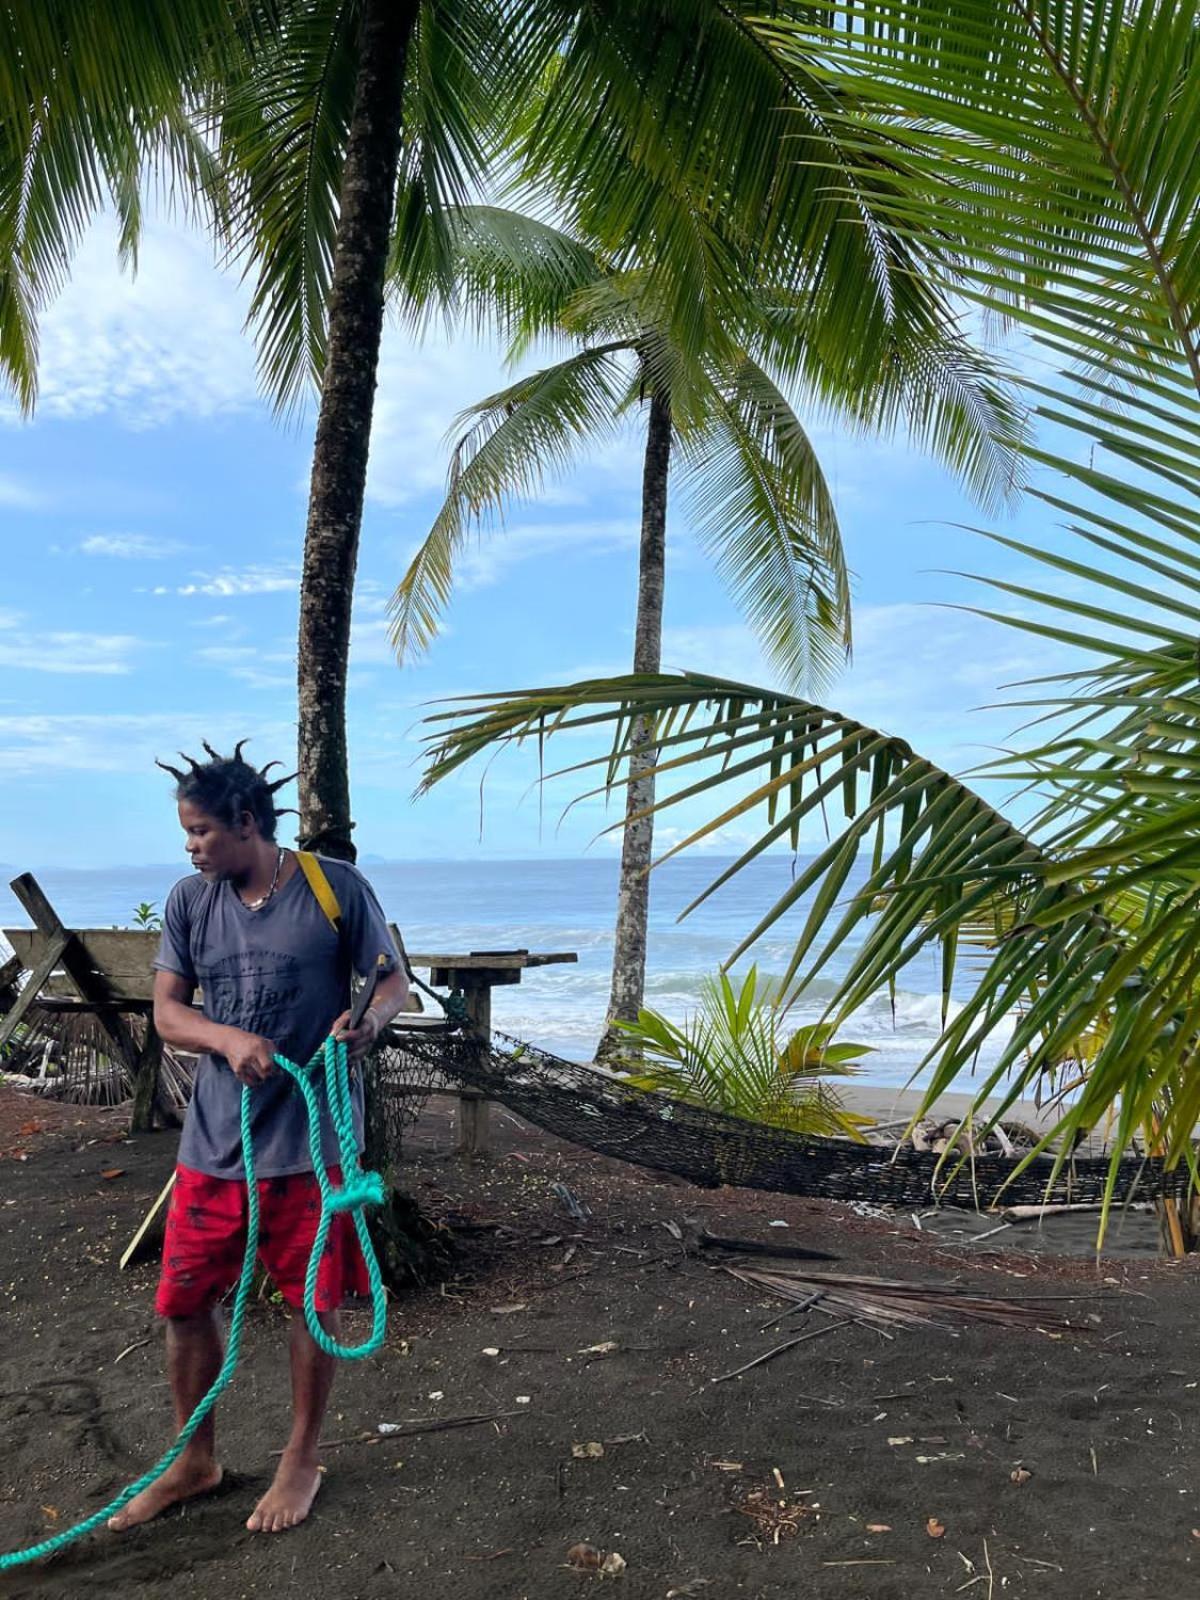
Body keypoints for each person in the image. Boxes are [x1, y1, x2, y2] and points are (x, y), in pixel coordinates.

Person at [108, 742, 410, 1536]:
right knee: (181, 1304)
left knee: (313, 1305)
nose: (191, 846)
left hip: (314, 1146)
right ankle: (194, 1460)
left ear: (247, 823)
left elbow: (390, 981)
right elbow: (169, 1013)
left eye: (202, 831)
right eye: (187, 834)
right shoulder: (188, 901)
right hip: (213, 1146)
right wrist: (225, 1039)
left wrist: (369, 1024)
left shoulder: (332, 887)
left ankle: (301, 1457)